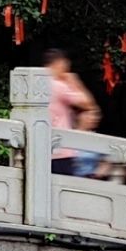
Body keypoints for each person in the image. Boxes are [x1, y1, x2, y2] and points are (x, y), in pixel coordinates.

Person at [45, 49, 100, 177]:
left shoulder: (37, 84)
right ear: (59, 64)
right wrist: (75, 82)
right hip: (60, 150)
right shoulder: (58, 85)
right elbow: (88, 104)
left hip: (40, 149)